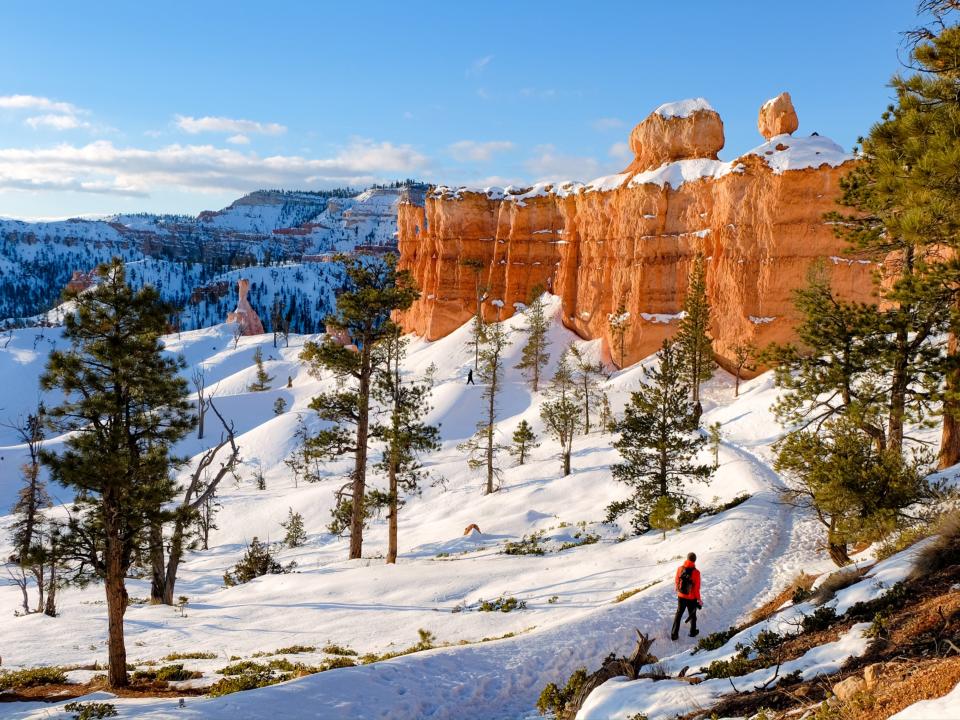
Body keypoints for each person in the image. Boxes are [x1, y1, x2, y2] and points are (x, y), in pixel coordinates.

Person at [670, 552, 702, 640]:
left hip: (681, 596)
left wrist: (678, 589)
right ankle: (692, 632)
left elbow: (677, 580)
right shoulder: (696, 572)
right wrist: (699, 599)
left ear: (687, 559)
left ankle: (674, 634)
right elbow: (696, 588)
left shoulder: (680, 569)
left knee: (679, 614)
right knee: (692, 615)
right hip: (691, 597)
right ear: (695, 560)